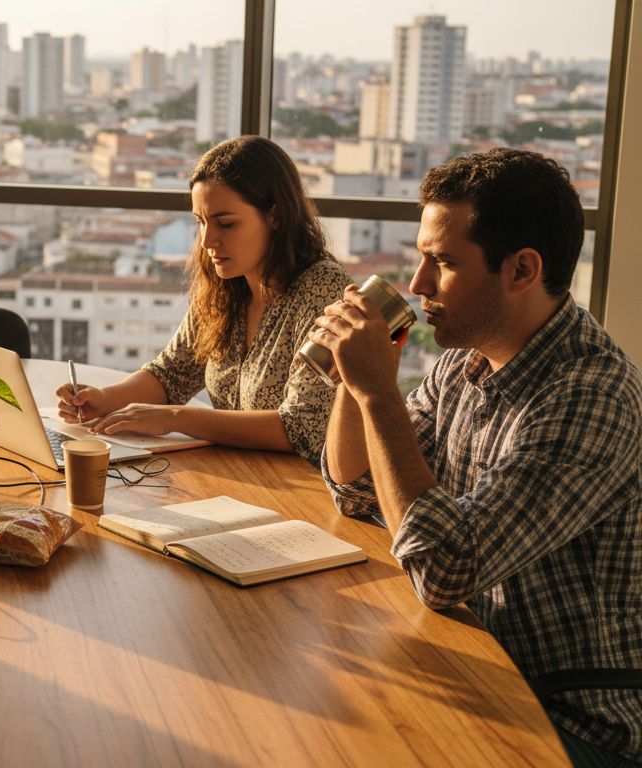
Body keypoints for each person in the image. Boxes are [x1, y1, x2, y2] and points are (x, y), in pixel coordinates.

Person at [312, 148, 641, 767]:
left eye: (442, 262)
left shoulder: (591, 396)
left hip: (568, 722)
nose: (417, 285)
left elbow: (442, 569)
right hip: (471, 664)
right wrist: (350, 385)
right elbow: (357, 488)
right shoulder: (461, 366)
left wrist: (379, 392)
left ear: (521, 270)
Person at [57, 135, 352, 462]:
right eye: (201, 222)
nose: (208, 240)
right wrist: (103, 399)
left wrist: (175, 418)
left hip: (300, 490)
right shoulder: (225, 285)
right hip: (236, 475)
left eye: (226, 223)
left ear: (276, 216)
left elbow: (303, 427)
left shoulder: (324, 289)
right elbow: (171, 373)